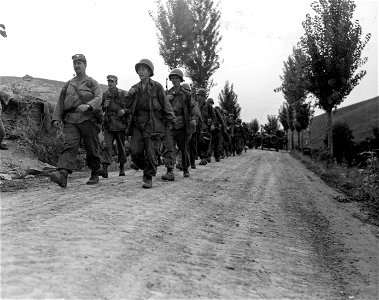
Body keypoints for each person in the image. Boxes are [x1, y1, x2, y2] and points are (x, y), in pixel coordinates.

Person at [50, 54, 103, 188]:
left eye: (80, 63)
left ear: (85, 65)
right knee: (70, 146)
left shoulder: (92, 82)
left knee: (92, 147)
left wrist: (88, 105)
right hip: (71, 120)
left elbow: (99, 97)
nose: (77, 65)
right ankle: (62, 175)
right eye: (75, 63)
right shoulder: (68, 84)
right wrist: (56, 118)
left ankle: (95, 172)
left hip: (88, 119)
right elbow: (60, 102)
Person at [124, 59, 175, 189]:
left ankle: (148, 177)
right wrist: (129, 96)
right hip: (137, 123)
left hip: (152, 122)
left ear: (149, 72)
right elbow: (127, 106)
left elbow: (165, 104)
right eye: (139, 69)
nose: (140, 72)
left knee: (151, 151)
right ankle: (146, 167)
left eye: (143, 69)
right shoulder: (135, 88)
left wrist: (170, 119)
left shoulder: (157, 87)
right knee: (135, 151)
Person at [161, 68, 199, 180]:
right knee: (169, 147)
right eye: (172, 78)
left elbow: (193, 107)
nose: (174, 80)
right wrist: (166, 100)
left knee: (183, 147)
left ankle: (185, 168)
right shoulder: (167, 93)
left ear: (180, 79)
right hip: (170, 124)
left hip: (182, 124)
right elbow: (160, 107)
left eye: (176, 78)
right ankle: (169, 171)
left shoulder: (186, 94)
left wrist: (193, 119)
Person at [99, 75, 129, 178]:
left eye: (112, 81)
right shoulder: (105, 95)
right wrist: (104, 106)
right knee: (106, 146)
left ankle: (121, 167)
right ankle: (105, 169)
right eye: (109, 81)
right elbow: (101, 110)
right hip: (108, 124)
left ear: (116, 82)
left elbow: (129, 107)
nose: (110, 83)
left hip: (119, 124)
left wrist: (124, 111)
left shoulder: (122, 94)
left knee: (121, 146)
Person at [196, 88, 216, 165]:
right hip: (196, 126)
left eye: (200, 95)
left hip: (205, 127)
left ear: (204, 97)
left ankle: (204, 157)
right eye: (198, 95)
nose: (199, 97)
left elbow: (214, 116)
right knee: (195, 142)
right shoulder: (194, 104)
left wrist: (213, 124)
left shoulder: (208, 106)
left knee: (204, 142)